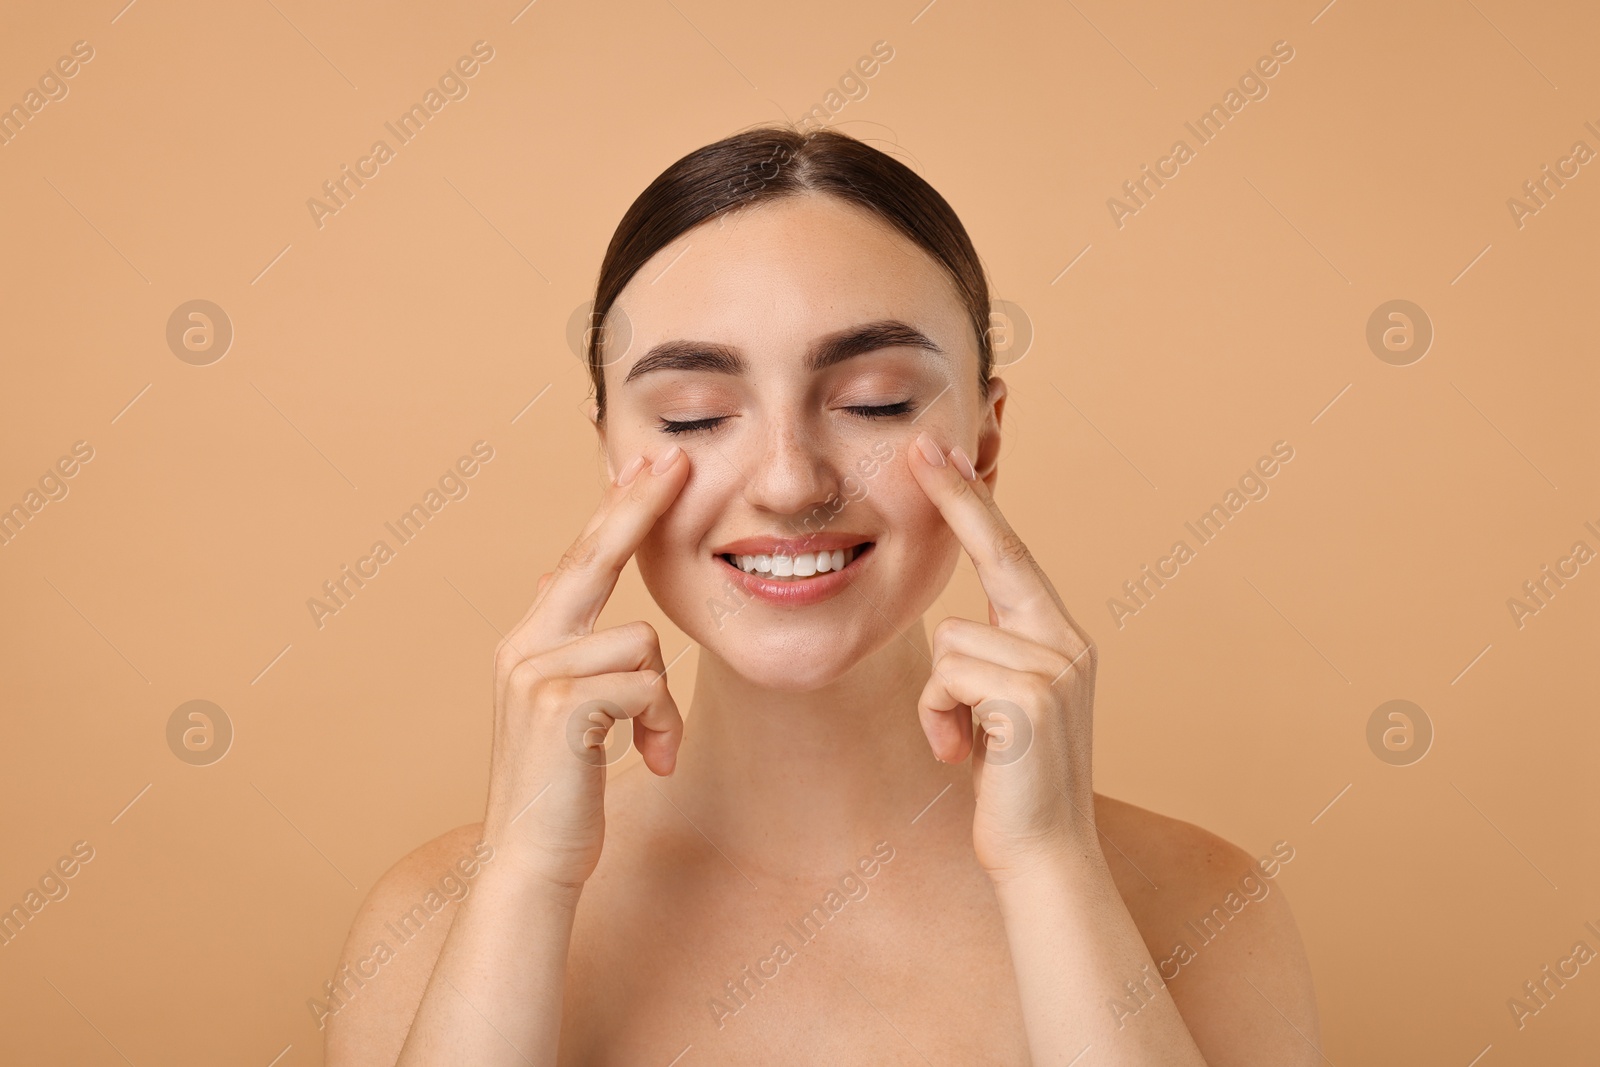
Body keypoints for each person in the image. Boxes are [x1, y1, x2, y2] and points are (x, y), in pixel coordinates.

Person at [324, 125, 1319, 1065]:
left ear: (986, 439)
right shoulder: (436, 920)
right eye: (695, 414)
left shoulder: (1199, 906)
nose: (791, 481)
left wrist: (1054, 872)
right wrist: (526, 880)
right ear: (609, 452)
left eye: (874, 402)